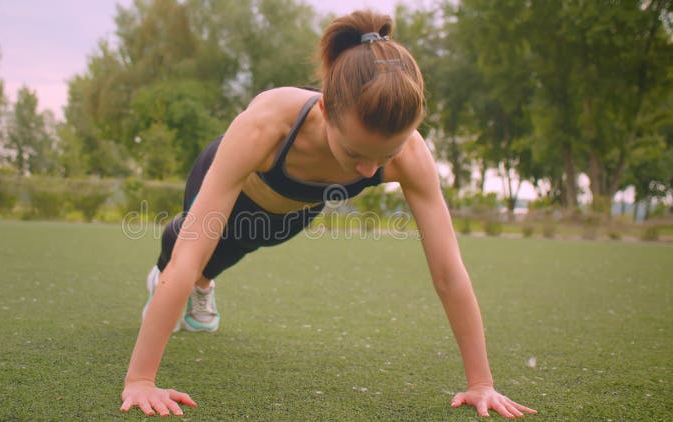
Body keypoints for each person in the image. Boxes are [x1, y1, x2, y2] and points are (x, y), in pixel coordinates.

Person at [120, 10, 537, 419]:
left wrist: (481, 383)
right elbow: (193, 252)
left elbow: (449, 272)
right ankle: (171, 278)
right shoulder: (267, 125)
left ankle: (203, 286)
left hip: (294, 209)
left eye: (385, 156)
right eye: (355, 153)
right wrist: (141, 380)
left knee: (248, 241)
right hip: (234, 183)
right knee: (192, 249)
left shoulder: (410, 153)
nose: (369, 171)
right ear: (324, 110)